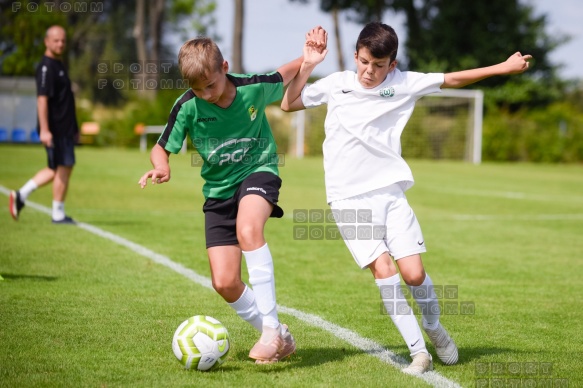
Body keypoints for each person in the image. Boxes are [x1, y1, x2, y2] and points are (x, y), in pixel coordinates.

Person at [281, 22, 532, 374]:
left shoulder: (404, 84)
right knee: (384, 271)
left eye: (379, 65)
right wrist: (308, 63)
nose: (369, 72)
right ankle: (419, 353)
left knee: (413, 274)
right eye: (365, 62)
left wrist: (502, 68)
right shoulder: (336, 84)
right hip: (347, 199)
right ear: (356, 56)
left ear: (392, 65)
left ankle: (434, 328)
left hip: (390, 194)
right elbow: (289, 102)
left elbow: (453, 79)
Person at [138, 27, 327, 364]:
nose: (206, 94)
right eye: (197, 89)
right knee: (224, 282)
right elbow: (161, 147)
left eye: (210, 85)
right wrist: (161, 166)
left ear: (224, 67)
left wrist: (309, 58)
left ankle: (269, 330)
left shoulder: (251, 87)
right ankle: (280, 335)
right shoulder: (187, 106)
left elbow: (285, 74)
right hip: (218, 192)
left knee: (249, 231)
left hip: (259, 172)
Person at [9, 25, 78, 224]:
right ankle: (57, 213)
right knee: (63, 168)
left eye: (63, 40)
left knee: (57, 168)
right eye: (56, 40)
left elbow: (66, 100)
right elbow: (42, 99)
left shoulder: (60, 64)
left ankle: (21, 195)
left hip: (65, 128)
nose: (60, 44)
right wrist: (45, 129)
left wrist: (75, 127)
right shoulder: (46, 66)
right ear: (47, 42)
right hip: (55, 129)